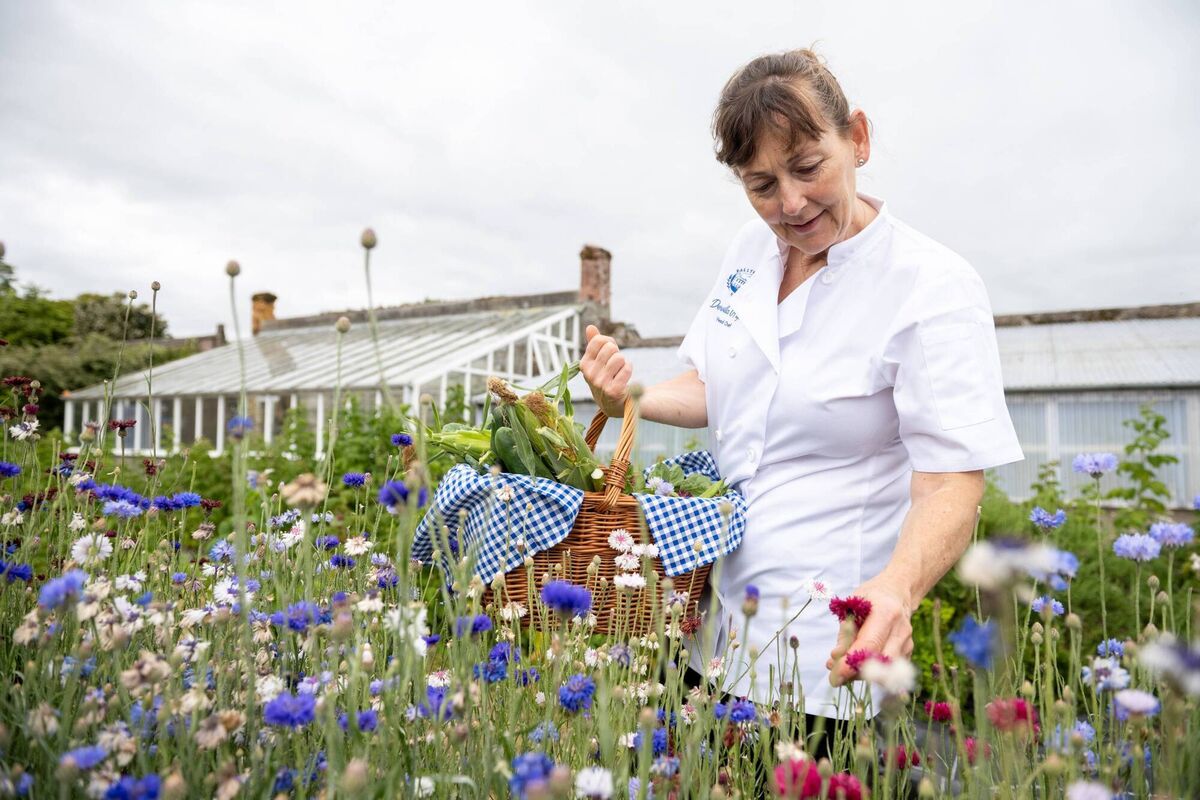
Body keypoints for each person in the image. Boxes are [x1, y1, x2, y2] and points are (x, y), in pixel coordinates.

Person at [580, 49, 1023, 724]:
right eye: (761, 186)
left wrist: (898, 591)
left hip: (824, 656)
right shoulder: (749, 254)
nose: (790, 203)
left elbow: (950, 482)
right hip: (705, 629)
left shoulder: (931, 286)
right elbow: (710, 382)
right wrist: (629, 397)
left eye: (809, 167)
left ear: (859, 139)